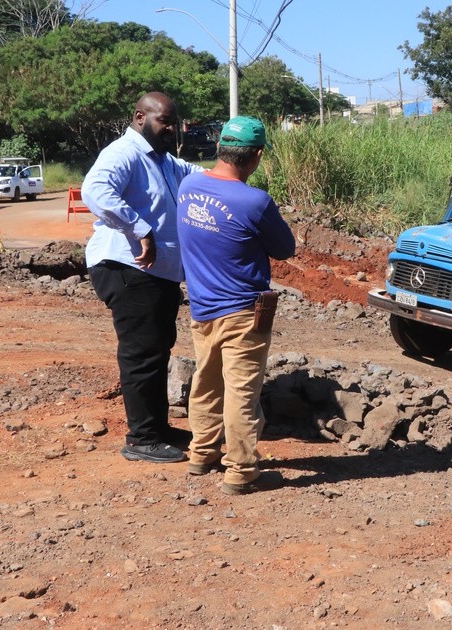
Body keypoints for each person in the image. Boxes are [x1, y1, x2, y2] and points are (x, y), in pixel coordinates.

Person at [175, 116, 296, 495]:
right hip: (244, 311)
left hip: (201, 308)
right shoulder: (255, 201)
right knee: (242, 393)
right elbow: (286, 249)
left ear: (220, 147)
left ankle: (201, 453)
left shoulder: (189, 185)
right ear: (256, 155)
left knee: (206, 382)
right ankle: (241, 471)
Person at [84, 91, 203, 464]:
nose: (171, 128)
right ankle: (141, 439)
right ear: (140, 117)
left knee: (156, 350)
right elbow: (95, 190)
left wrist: (233, 166)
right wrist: (140, 229)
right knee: (141, 354)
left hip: (155, 273)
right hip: (127, 267)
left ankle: (157, 428)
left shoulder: (164, 162)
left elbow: (198, 175)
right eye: (164, 121)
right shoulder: (125, 153)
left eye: (174, 121)